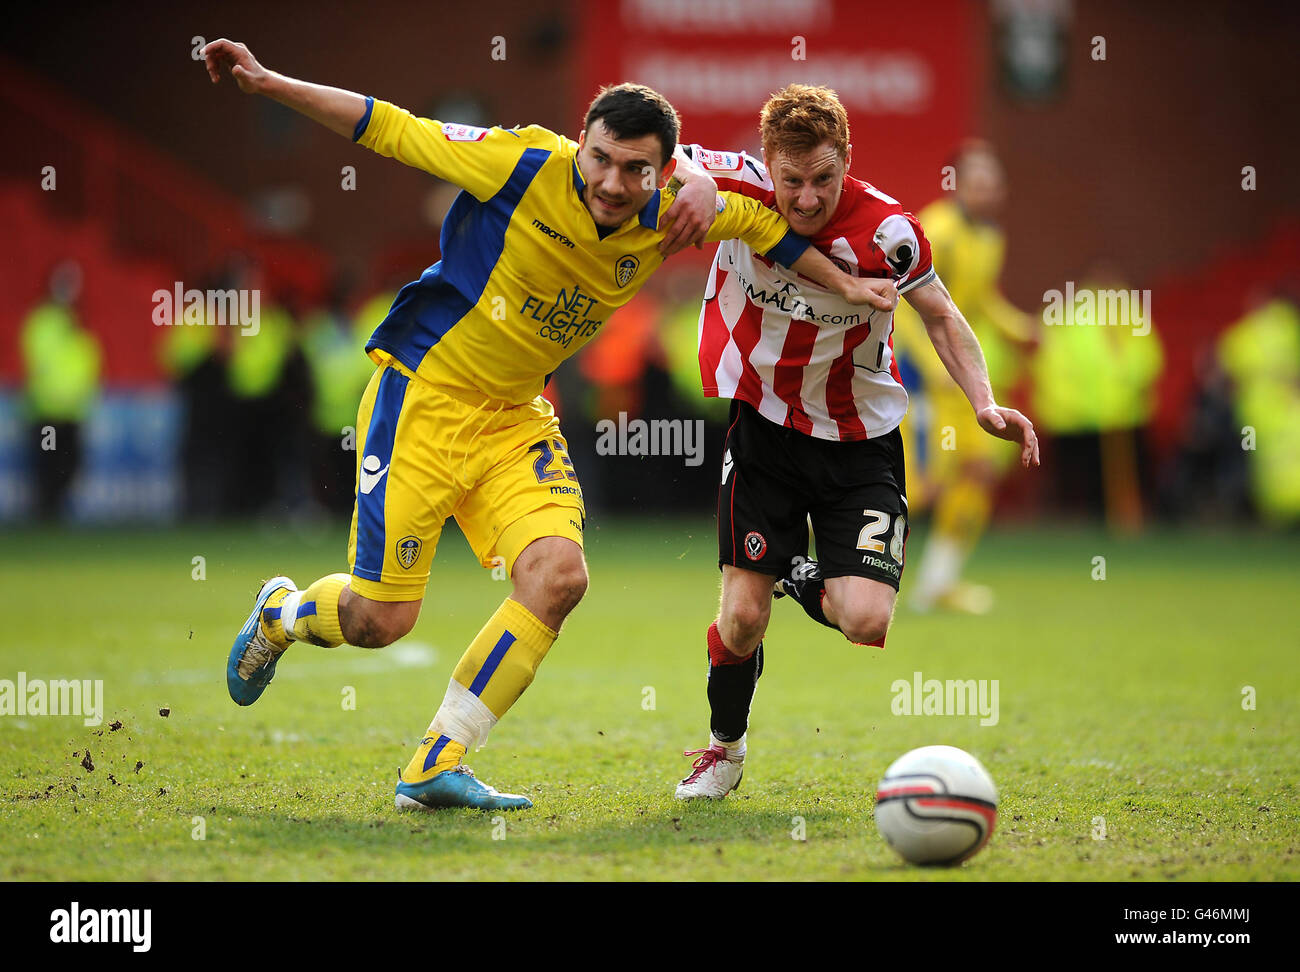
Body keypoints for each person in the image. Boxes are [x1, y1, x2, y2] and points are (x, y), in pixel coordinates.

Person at [201, 40, 896, 812]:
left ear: (662, 173)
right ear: (583, 144)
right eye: (600, 158)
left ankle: (436, 763)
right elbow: (385, 125)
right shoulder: (523, 163)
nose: (611, 181)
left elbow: (779, 238)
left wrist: (853, 285)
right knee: (380, 619)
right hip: (424, 399)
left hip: (516, 417)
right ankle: (282, 614)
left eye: (636, 169)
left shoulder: (676, 215)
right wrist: (269, 81)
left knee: (560, 576)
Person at [668, 85, 1039, 800]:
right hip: (765, 428)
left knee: (866, 622)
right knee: (742, 619)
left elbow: (943, 315)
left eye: (823, 180)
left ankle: (786, 567)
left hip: (861, 440)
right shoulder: (737, 181)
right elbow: (668, 158)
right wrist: (695, 183)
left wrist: (985, 402)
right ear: (766, 163)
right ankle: (724, 751)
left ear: (847, 164)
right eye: (792, 181)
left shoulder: (891, 233)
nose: (805, 199)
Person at [891, 141, 1037, 613]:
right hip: (926, 379)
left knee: (978, 473)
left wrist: (1020, 328)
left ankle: (937, 584)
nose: (987, 190)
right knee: (919, 489)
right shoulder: (937, 230)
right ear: (956, 183)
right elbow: (908, 302)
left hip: (963, 384)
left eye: (993, 182)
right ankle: (808, 539)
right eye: (977, 182)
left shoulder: (991, 238)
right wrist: (931, 364)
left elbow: (977, 302)